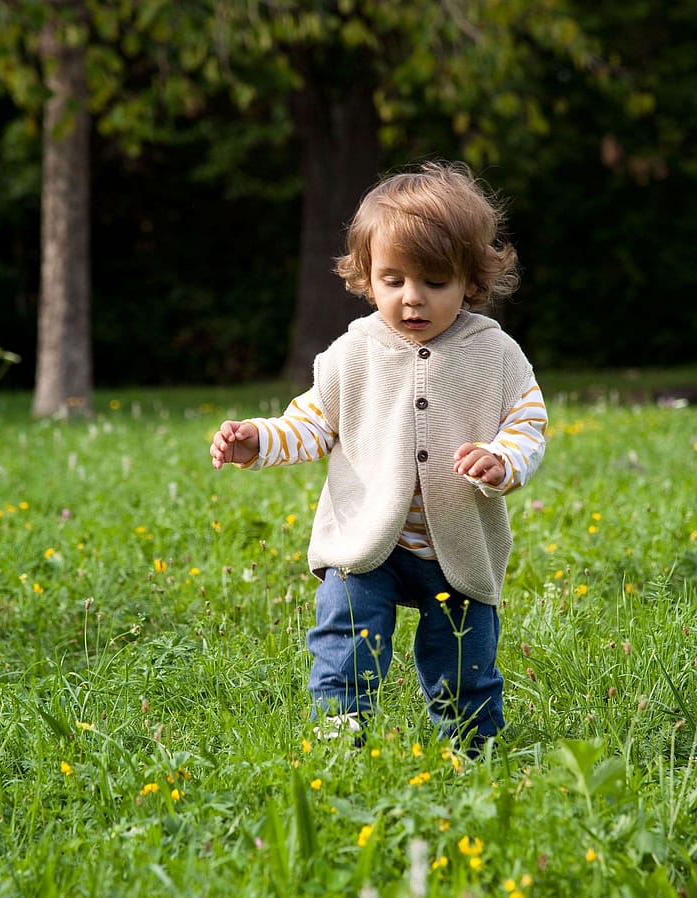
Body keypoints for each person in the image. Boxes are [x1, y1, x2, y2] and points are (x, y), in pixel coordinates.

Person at [210, 160, 547, 751]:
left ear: (470, 279)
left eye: (434, 283)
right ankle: (341, 732)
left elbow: (527, 422)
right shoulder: (354, 351)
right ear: (368, 277)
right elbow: (313, 423)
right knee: (345, 635)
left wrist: (503, 459)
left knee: (463, 658)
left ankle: (472, 746)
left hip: (458, 549)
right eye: (393, 282)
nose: (411, 299)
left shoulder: (496, 354)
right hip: (367, 542)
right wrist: (258, 441)